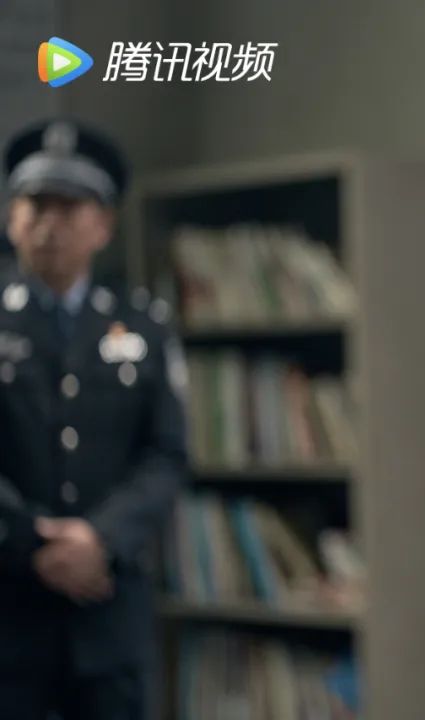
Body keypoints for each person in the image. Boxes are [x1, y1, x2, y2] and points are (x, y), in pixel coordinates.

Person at [0, 118, 188, 719]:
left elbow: (166, 455)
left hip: (109, 610)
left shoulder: (143, 325)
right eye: (36, 206)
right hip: (11, 606)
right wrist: (35, 543)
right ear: (11, 218)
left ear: (103, 225)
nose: (49, 225)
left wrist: (99, 539)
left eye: (69, 207)